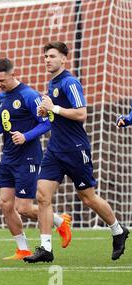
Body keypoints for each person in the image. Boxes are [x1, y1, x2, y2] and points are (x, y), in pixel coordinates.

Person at [24, 42, 129, 263]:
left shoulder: (70, 82)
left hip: (75, 149)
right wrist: (46, 111)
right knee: (42, 195)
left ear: (64, 59)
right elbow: (55, 114)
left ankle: (118, 230)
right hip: (55, 149)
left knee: (88, 198)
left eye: (52, 56)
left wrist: (54, 108)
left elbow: (81, 114)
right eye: (45, 56)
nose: (47, 60)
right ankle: (45, 248)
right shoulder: (52, 82)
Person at [0, 58, 71, 260]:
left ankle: (59, 221)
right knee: (5, 204)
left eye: (1, 80)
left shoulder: (29, 95)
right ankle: (23, 249)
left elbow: (47, 123)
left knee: (24, 207)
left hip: (28, 158)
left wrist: (26, 136)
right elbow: (1, 126)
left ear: (12, 74)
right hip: (8, 157)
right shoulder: (2, 97)